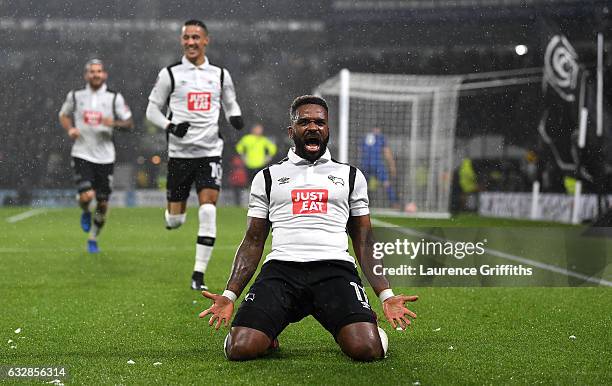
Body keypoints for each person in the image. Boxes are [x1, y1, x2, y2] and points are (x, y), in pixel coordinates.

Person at [199, 95, 418, 361]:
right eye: (304, 122)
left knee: (367, 350)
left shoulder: (351, 176)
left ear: (327, 130)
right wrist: (229, 294)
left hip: (334, 270)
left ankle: (367, 326)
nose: (312, 127)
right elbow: (253, 240)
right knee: (240, 349)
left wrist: (386, 294)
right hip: (282, 270)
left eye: (319, 122)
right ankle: (263, 332)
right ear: (292, 131)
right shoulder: (267, 178)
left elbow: (363, 239)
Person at [146, 19, 244, 290]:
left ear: (206, 40)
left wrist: (234, 116)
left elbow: (230, 101)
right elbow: (151, 110)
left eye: (196, 37)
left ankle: (198, 275)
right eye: (186, 37)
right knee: (176, 220)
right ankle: (173, 216)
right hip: (179, 154)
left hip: (210, 152)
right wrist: (170, 125)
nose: (191, 42)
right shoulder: (171, 74)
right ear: (182, 41)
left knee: (209, 211)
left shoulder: (220, 74)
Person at [59, 59, 134, 254]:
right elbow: (63, 115)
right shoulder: (75, 96)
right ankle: (85, 210)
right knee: (87, 195)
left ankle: (93, 237)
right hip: (82, 152)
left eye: (99, 71)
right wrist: (71, 129)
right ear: (86, 75)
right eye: (92, 71)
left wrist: (114, 123)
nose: (96, 74)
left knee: (102, 203)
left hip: (105, 157)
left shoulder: (114, 98)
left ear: (104, 75)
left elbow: (129, 124)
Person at [360, 127, 398, 206]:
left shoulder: (365, 137)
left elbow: (361, 150)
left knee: (362, 186)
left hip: (365, 164)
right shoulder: (380, 137)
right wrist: (392, 166)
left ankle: (360, 203)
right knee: (386, 183)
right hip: (376, 164)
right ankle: (394, 202)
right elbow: (387, 152)